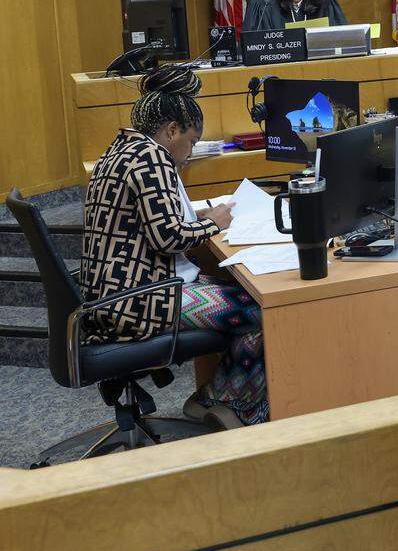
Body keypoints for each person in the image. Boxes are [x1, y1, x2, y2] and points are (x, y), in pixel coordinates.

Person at [82, 64, 269, 427]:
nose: (188, 152)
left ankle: (215, 400)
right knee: (260, 308)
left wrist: (200, 219)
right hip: (142, 300)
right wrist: (212, 222)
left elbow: (153, 220)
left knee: (243, 294)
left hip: (114, 295)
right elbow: (168, 237)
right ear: (171, 130)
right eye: (192, 142)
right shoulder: (152, 157)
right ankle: (233, 406)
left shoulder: (121, 148)